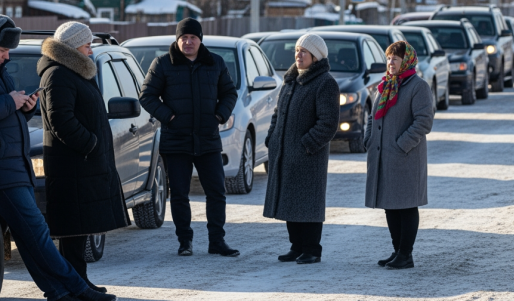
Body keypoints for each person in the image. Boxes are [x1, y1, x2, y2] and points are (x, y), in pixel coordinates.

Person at [0, 13, 113, 301]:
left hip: (10, 161)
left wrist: (24, 107)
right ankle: (77, 288)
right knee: (37, 231)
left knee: (29, 234)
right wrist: (9, 101)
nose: (7, 57)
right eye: (3, 50)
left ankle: (58, 291)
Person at [37, 22, 129, 295]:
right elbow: (60, 120)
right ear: (71, 46)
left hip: (83, 165)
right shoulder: (58, 74)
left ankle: (80, 282)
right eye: (86, 44)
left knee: (80, 227)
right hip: (73, 165)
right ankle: (74, 286)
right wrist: (90, 144)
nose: (91, 48)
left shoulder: (74, 71)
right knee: (73, 230)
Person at [139, 18, 239, 257]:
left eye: (192, 37)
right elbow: (147, 96)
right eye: (183, 37)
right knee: (180, 194)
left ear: (200, 39)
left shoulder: (215, 62)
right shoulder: (163, 64)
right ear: (177, 39)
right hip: (176, 142)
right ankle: (185, 242)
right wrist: (169, 117)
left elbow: (229, 93)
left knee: (216, 192)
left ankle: (217, 241)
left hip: (208, 139)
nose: (188, 42)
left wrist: (219, 115)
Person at [263, 34, 340, 264]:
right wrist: (272, 138)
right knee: (290, 202)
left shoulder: (325, 83)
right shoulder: (291, 81)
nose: (298, 55)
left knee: (308, 204)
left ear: (315, 56)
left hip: (308, 156)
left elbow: (328, 123)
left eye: (303, 51)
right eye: (297, 50)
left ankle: (312, 249)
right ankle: (296, 246)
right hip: (285, 154)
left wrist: (307, 144)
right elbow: (278, 114)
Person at [364, 41, 435, 270]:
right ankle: (397, 252)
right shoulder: (385, 85)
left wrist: (401, 144)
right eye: (389, 58)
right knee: (390, 205)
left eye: (395, 58)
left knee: (406, 206)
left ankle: (406, 254)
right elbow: (371, 116)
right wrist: (369, 139)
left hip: (405, 158)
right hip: (384, 157)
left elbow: (424, 121)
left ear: (407, 61)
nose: (391, 63)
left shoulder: (418, 86)